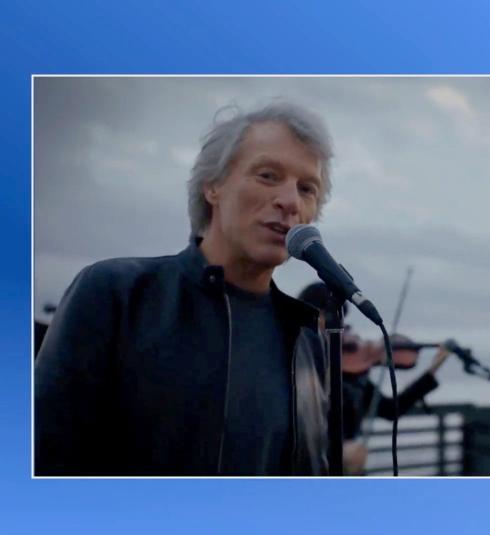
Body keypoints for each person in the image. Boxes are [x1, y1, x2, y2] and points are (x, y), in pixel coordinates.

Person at [35, 102, 335, 475]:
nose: (290, 201)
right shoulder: (115, 294)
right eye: (268, 175)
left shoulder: (307, 338)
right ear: (213, 185)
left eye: (307, 188)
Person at [297, 282, 451, 474]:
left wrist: (433, 369)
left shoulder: (351, 374)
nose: (335, 326)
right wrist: (335, 450)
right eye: (324, 315)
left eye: (338, 317)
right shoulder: (294, 363)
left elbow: (390, 410)